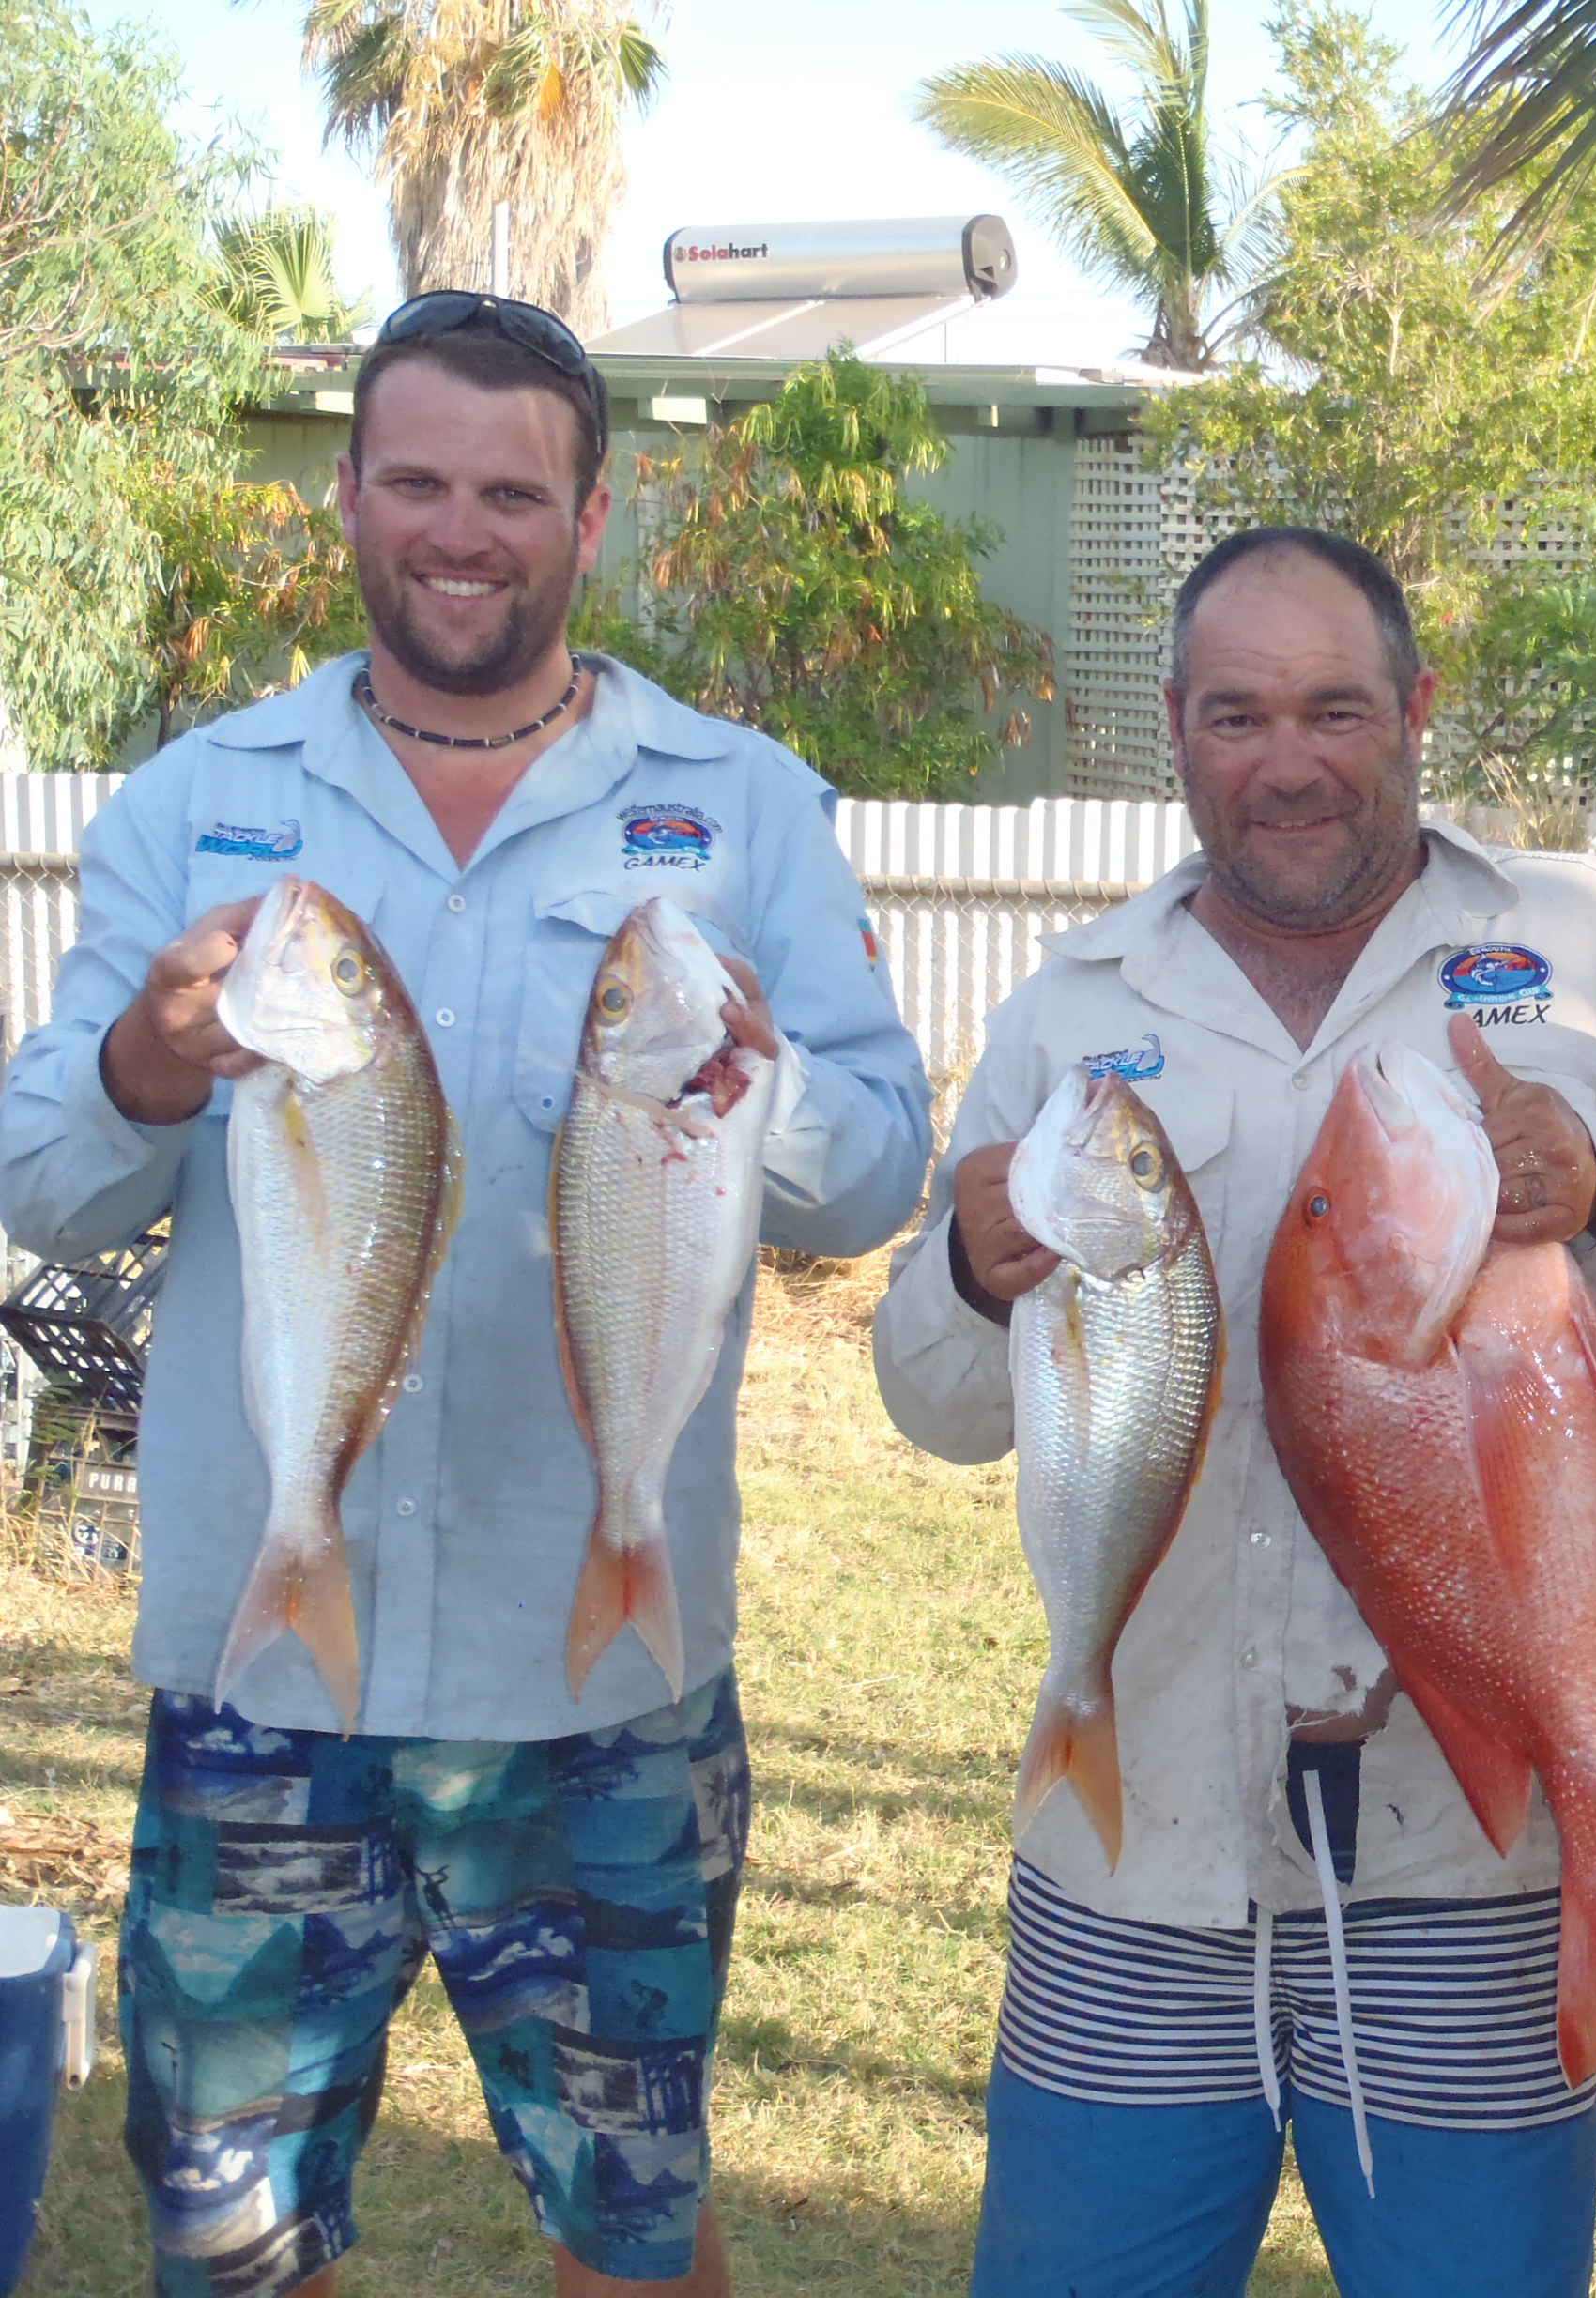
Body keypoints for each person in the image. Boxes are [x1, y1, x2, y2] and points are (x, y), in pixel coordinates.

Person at [0, 293, 933, 2298]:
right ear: (348, 493)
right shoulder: (193, 801)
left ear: (591, 519)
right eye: (415, 480)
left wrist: (747, 1094)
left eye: (513, 494)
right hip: (264, 1674)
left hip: (598, 1682)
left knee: (633, 2224)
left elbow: (877, 1168)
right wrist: (146, 1067)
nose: (459, 530)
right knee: (233, 2244)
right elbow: (44, 1188)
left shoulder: (744, 802)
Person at [870, 525, 1596, 2298]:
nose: (1288, 762)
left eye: (1335, 709)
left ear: (1415, 709)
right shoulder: (1073, 1006)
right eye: (1236, 715)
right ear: (1175, 725)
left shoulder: (1594, 939)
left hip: (1473, 1870)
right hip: (1137, 1860)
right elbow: (934, 1409)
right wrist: (967, 1271)